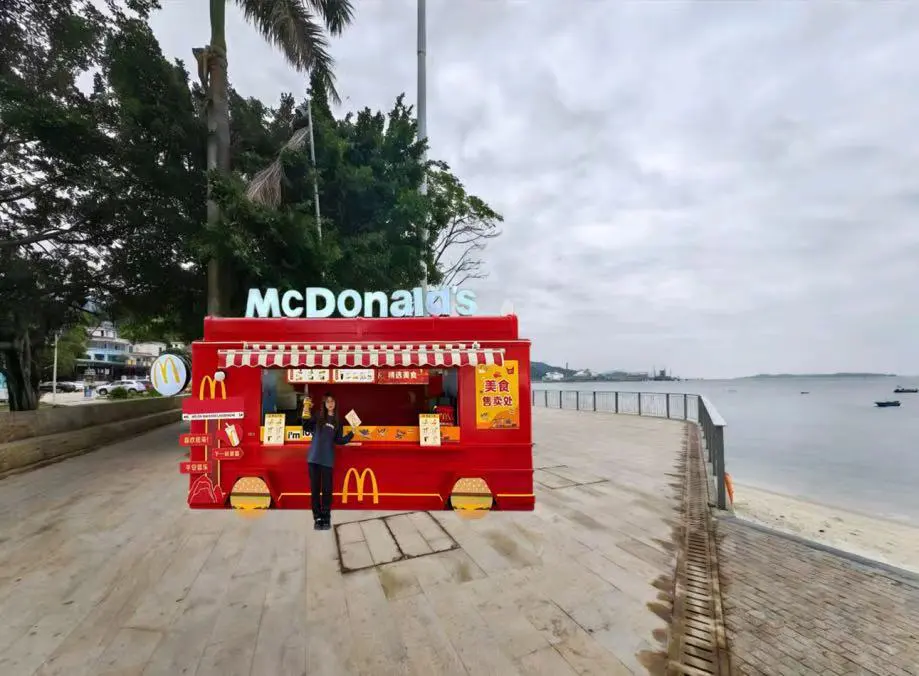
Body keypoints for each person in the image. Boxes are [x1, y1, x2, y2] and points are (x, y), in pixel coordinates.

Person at [302, 392, 354, 530]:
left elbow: (339, 440)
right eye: (328, 402)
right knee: (315, 489)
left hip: (327, 460)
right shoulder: (318, 416)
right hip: (314, 458)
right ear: (324, 404)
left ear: (335, 404)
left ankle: (326, 516)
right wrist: (305, 410)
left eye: (332, 401)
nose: (330, 404)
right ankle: (317, 517)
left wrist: (351, 433)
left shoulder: (338, 422)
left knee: (326, 490)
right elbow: (306, 427)